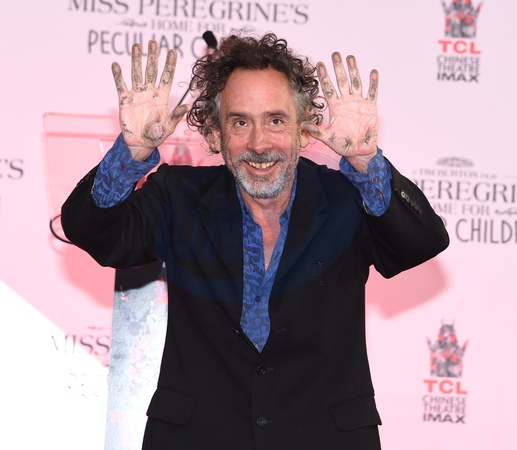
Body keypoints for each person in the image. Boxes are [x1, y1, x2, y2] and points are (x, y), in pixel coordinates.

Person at [61, 32, 449, 450]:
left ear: (304, 131)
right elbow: (92, 232)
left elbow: (420, 243)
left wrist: (366, 162)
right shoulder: (178, 196)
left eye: (276, 121)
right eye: (240, 122)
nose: (259, 143)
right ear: (215, 135)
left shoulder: (347, 200)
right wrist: (131, 153)